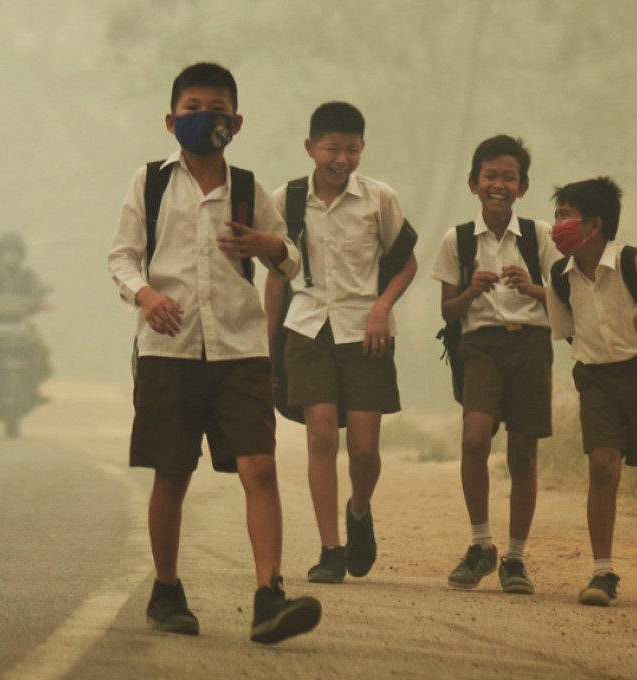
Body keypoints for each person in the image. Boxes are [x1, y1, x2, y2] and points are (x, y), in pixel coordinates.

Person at [108, 62, 321, 644]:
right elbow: (122, 256)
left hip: (240, 349)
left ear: (237, 121)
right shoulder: (150, 181)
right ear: (172, 121)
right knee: (172, 473)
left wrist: (269, 244)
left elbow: (292, 260)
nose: (207, 118)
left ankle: (267, 596)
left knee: (260, 467)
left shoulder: (250, 188)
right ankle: (167, 590)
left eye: (218, 109)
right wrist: (145, 293)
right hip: (167, 350)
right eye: (195, 108)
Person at [264, 102, 417, 585]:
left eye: (351, 149)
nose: (341, 159)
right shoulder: (285, 201)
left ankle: (359, 511)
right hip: (307, 329)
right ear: (310, 148)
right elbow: (275, 279)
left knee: (366, 450)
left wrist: (381, 308)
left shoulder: (379, 199)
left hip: (365, 333)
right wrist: (270, 347)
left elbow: (407, 263)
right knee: (321, 436)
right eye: (331, 148)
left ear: (362, 149)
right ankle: (330, 549)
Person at [430, 135, 558, 594]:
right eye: (491, 176)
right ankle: (482, 544)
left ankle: (516, 558)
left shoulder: (540, 235)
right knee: (474, 438)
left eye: (508, 177)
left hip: (531, 346)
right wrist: (471, 292)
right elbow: (448, 310)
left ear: (523, 187)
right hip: (479, 346)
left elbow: (565, 300)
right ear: (473, 183)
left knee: (523, 450)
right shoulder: (459, 239)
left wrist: (532, 289)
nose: (499, 185)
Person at [546, 177, 636, 606]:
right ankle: (603, 572)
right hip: (596, 379)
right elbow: (569, 332)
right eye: (557, 214)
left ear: (594, 225)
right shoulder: (559, 277)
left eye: (566, 215)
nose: (557, 224)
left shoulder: (632, 265)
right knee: (603, 467)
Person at [0, 232, 52, 404]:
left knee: (39, 348)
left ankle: (34, 385)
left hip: (21, 322)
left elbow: (37, 292)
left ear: (21, 254)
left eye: (14, 252)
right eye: (7, 251)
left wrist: (42, 302)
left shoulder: (27, 275)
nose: (10, 256)